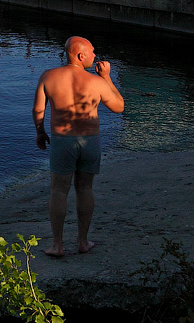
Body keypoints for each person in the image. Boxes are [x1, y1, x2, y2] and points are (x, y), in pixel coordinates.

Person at [31, 36, 124, 257]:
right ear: (81, 56)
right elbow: (119, 106)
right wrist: (107, 78)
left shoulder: (48, 77)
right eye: (92, 51)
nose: (95, 55)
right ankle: (82, 241)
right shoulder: (96, 82)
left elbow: (37, 110)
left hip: (63, 140)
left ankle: (57, 245)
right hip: (90, 140)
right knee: (85, 189)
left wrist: (40, 132)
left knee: (58, 190)